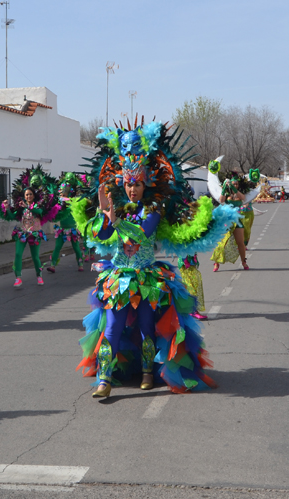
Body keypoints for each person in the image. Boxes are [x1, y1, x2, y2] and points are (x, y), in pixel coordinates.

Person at [73, 121, 238, 399]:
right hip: (119, 279)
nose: (132, 189)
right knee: (111, 328)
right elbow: (102, 234)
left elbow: (142, 233)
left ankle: (148, 372)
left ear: (146, 183)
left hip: (147, 279)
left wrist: (115, 221)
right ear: (122, 183)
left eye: (137, 184)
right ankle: (104, 378)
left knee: (147, 328)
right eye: (128, 184)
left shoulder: (155, 208)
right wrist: (103, 213)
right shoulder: (116, 208)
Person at [0, 166, 61, 288]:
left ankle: (39, 275)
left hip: (35, 234)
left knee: (35, 257)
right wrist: (6, 208)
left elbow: (39, 212)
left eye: (30, 194)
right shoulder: (21, 206)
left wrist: (27, 207)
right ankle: (18, 278)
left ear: (34, 195)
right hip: (22, 233)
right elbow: (13, 216)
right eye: (26, 195)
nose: (28, 196)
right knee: (18, 254)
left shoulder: (39, 205)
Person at [208, 161, 260, 271]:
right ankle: (216, 263)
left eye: (236, 184)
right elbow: (221, 201)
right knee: (221, 242)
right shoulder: (226, 194)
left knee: (240, 243)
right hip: (226, 220)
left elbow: (243, 198)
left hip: (237, 220)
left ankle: (244, 262)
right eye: (233, 183)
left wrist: (234, 188)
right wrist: (224, 188)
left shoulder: (240, 193)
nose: (235, 185)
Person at [47, 173, 88, 274]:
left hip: (72, 229)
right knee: (57, 247)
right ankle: (52, 265)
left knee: (76, 247)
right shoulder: (60, 203)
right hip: (62, 229)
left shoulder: (73, 201)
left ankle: (80, 264)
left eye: (64, 191)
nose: (62, 193)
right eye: (61, 192)